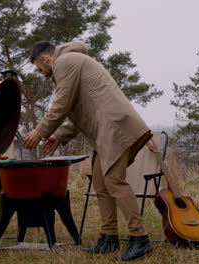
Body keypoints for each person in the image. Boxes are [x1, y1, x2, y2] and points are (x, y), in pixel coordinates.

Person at [23, 41, 153, 261]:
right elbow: (78, 111)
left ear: (44, 59)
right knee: (102, 184)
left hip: (113, 127)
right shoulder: (74, 63)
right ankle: (109, 237)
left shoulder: (65, 62)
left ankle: (141, 239)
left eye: (39, 69)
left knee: (114, 181)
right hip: (107, 130)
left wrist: (40, 131)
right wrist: (58, 136)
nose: (42, 74)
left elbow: (61, 104)